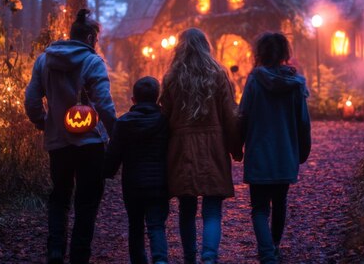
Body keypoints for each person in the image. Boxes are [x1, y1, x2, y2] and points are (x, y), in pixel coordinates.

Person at [24, 9, 116, 264]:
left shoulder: (44, 60)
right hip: (91, 144)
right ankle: (79, 256)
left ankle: (55, 250)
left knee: (60, 195)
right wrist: (116, 133)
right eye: (95, 40)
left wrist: (44, 122)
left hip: (58, 142)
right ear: (89, 37)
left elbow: (32, 100)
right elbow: (104, 103)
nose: (96, 45)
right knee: (87, 201)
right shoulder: (92, 62)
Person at [159, 28, 242, 264]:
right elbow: (229, 116)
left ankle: (189, 258)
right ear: (206, 47)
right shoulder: (218, 74)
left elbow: (164, 117)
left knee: (186, 209)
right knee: (213, 209)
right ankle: (209, 257)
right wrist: (236, 148)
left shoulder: (172, 77)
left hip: (181, 148)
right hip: (212, 147)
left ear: (180, 48)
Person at [238, 32, 311, 264]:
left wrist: (237, 146)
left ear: (259, 53)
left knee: (259, 207)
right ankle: (274, 246)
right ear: (284, 53)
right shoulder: (295, 85)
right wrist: (302, 151)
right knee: (280, 203)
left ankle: (267, 253)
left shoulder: (253, 81)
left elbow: (243, 116)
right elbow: (303, 121)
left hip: (259, 153)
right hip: (285, 153)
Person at [104, 76, 170, 264]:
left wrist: (106, 171)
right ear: (157, 98)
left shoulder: (123, 123)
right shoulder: (165, 121)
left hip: (133, 185)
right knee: (157, 225)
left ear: (133, 99)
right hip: (159, 183)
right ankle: (160, 260)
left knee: (135, 226)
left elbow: (113, 152)